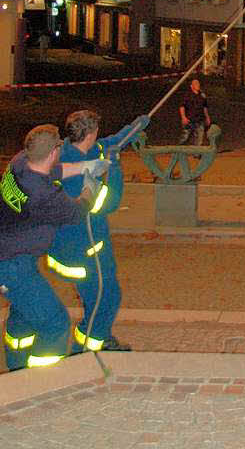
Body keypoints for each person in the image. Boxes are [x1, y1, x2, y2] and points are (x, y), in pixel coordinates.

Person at [0, 124, 109, 370]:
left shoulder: (19, 163)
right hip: (12, 266)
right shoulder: (45, 196)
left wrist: (84, 166)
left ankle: (16, 368)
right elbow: (79, 210)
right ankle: (42, 381)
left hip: (12, 255)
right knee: (55, 323)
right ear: (52, 152)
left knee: (25, 314)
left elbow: (54, 171)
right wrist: (92, 183)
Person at [47, 110, 150, 354]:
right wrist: (115, 170)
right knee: (106, 300)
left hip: (94, 248)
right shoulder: (71, 170)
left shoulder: (80, 149)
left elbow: (112, 143)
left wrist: (136, 126)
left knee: (103, 299)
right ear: (91, 134)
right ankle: (85, 350)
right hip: (80, 252)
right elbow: (107, 203)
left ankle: (96, 341)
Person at [179, 77, 211, 145]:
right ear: (191, 86)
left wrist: (207, 117)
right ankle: (179, 152)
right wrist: (183, 117)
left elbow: (205, 107)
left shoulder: (202, 95)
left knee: (199, 138)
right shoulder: (187, 95)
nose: (198, 85)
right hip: (189, 119)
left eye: (198, 83)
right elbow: (182, 106)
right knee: (185, 137)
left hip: (200, 120)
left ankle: (196, 154)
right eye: (195, 84)